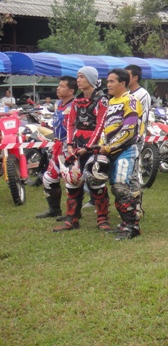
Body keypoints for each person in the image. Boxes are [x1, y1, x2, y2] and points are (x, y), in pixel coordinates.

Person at [53, 67, 108, 232]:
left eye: (82, 77)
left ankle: (102, 219)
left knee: (96, 181)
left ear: (91, 79)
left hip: (95, 146)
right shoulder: (76, 101)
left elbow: (101, 125)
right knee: (72, 181)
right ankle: (72, 219)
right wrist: (70, 144)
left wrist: (89, 147)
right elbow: (70, 123)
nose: (78, 80)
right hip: (77, 145)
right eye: (78, 77)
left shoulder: (101, 100)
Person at [96, 68, 143, 240]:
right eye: (107, 81)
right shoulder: (110, 102)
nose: (108, 84)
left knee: (121, 188)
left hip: (126, 150)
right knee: (116, 188)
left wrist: (109, 147)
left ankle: (133, 226)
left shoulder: (130, 100)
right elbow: (105, 128)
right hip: (111, 151)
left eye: (112, 81)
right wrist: (102, 144)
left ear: (122, 83)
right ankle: (125, 223)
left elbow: (129, 130)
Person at [35, 76, 76, 219]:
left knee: (71, 180)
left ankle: (74, 213)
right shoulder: (58, 103)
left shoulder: (75, 105)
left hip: (69, 147)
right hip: (57, 145)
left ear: (71, 91)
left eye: (62, 86)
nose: (58, 88)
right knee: (49, 178)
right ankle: (54, 209)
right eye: (58, 85)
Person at [125, 65, 151, 217]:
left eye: (127, 75)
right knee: (125, 172)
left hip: (135, 139)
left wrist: (136, 138)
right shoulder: (126, 93)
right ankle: (128, 204)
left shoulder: (142, 94)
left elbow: (142, 118)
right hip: (124, 139)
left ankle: (137, 207)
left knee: (133, 171)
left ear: (135, 77)